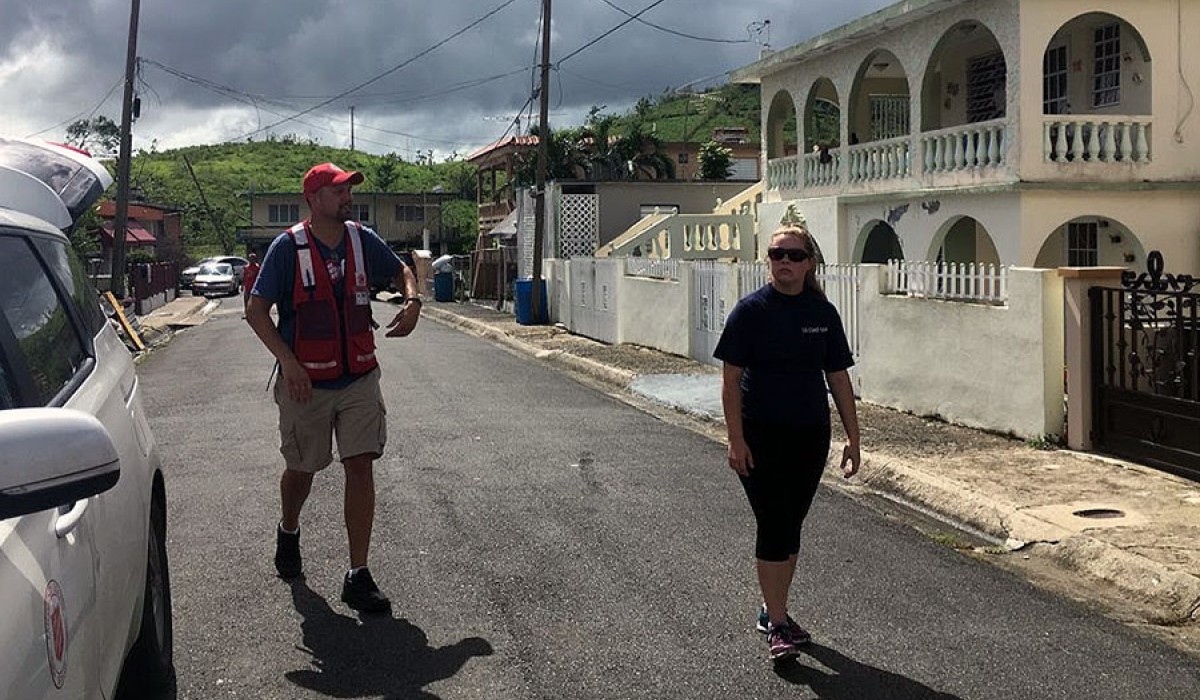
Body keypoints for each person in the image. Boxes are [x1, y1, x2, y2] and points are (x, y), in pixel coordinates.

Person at [245, 162, 422, 614]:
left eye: (348, 190)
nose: (348, 197)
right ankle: (289, 529)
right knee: (303, 470)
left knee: (360, 466)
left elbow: (403, 270)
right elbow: (257, 311)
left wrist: (413, 299)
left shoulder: (362, 240)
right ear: (315, 198)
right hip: (306, 385)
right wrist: (288, 364)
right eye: (339, 190)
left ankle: (357, 574)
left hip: (359, 377)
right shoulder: (288, 248)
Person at [713, 223, 861, 661]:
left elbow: (838, 377)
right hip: (761, 436)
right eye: (778, 255)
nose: (786, 263)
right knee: (774, 524)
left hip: (810, 436)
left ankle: (772, 609)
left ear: (809, 262)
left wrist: (854, 437)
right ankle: (778, 624)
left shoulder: (822, 313)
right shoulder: (750, 311)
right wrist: (735, 441)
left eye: (795, 255)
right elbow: (730, 380)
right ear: (769, 261)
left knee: (791, 527)